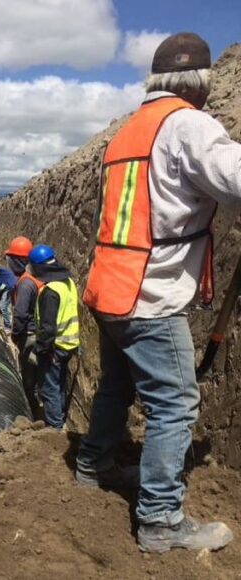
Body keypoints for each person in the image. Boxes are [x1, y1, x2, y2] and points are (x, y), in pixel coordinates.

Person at [75, 32, 241, 553]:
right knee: (175, 403)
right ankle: (161, 521)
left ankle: (94, 462)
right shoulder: (188, 124)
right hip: (151, 294)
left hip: (111, 287)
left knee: (116, 386)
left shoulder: (129, 132)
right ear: (200, 81)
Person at [28, 244, 79, 429]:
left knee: (49, 389)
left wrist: (40, 350)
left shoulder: (50, 292)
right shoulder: (68, 282)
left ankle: (55, 428)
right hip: (69, 345)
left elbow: (48, 328)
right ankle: (61, 418)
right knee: (59, 385)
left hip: (54, 348)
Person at [6, 236, 44, 414]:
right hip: (39, 334)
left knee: (29, 381)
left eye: (11, 259)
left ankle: (31, 414)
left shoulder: (25, 283)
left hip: (29, 337)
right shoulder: (36, 278)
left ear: (18, 261)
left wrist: (14, 334)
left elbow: (21, 314)